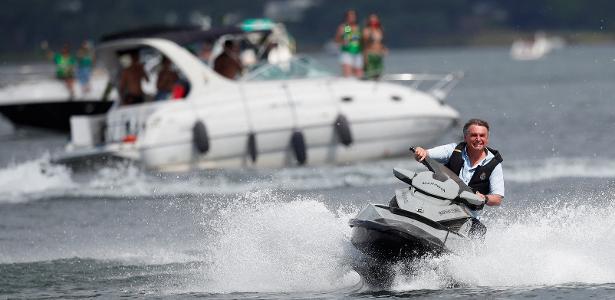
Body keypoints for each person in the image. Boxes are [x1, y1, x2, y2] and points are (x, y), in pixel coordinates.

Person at [413, 119, 504, 209]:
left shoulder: (494, 164)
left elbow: (497, 199)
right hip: (440, 203)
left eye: (482, 135)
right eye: (473, 135)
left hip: (467, 214)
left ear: (487, 138)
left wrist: (485, 198)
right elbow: (425, 154)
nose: (478, 139)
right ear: (465, 137)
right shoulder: (452, 150)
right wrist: (420, 151)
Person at [335, 9, 363, 78]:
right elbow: (338, 39)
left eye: (353, 16)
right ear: (347, 17)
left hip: (357, 52)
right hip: (347, 52)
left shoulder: (358, 27)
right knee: (348, 73)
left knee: (359, 73)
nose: (352, 17)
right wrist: (342, 38)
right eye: (350, 16)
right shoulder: (346, 27)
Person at [362, 13, 386, 79]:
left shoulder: (380, 30)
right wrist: (365, 56)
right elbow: (365, 44)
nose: (373, 21)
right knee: (370, 73)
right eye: (372, 19)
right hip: (370, 54)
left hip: (378, 54)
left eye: (375, 19)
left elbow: (381, 42)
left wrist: (384, 49)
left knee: (378, 73)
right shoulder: (366, 30)